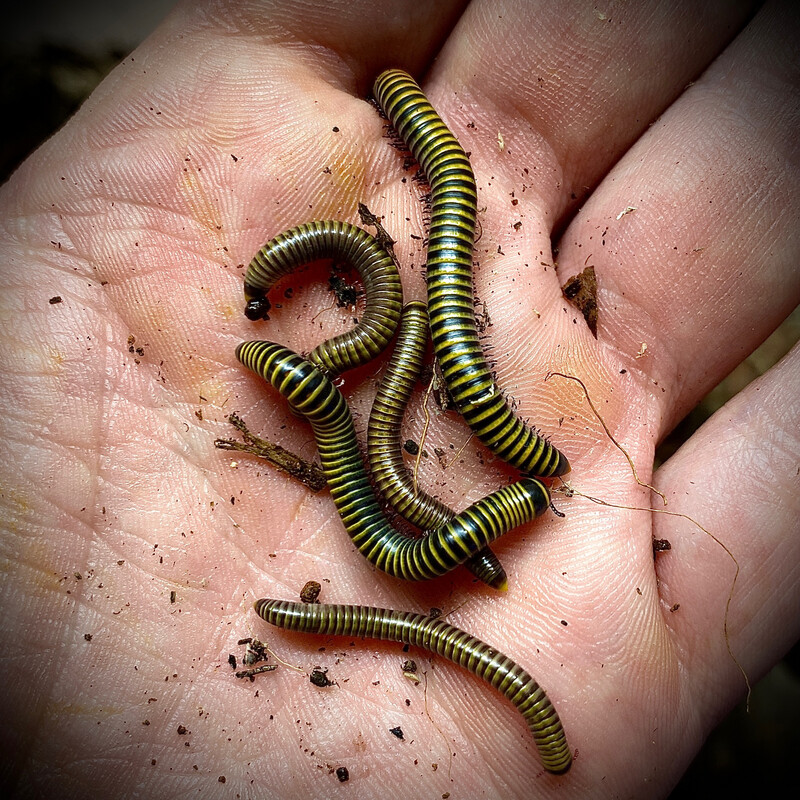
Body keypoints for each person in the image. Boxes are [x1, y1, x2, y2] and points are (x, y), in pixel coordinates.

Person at [0, 1, 797, 797]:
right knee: (417, 366)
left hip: (414, 416)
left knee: (428, 340)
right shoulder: (370, 387)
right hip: (404, 413)